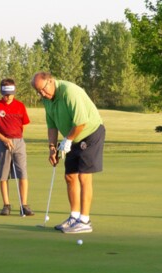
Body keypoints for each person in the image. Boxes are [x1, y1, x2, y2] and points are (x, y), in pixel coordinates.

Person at [31, 72, 105, 234]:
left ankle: (85, 220)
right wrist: (52, 147)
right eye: (38, 92)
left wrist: (68, 140)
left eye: (43, 89)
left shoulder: (69, 92)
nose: (42, 94)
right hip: (72, 137)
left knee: (84, 175)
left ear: (50, 81)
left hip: (90, 133)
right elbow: (52, 125)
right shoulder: (47, 99)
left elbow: (81, 122)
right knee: (70, 176)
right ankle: (74, 216)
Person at [0, 78, 34, 216]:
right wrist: (4, 139)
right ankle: (6, 205)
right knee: (3, 176)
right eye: (6, 94)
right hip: (2, 143)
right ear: (1, 92)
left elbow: (23, 124)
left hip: (18, 142)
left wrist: (15, 138)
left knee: (22, 174)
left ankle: (24, 205)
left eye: (10, 94)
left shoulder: (20, 105)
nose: (8, 97)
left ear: (14, 92)